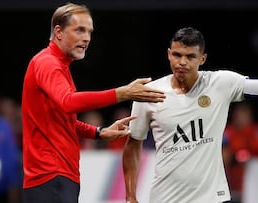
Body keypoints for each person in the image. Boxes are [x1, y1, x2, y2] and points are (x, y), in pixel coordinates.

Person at [122, 27, 258, 203]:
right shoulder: (147, 94)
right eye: (177, 55)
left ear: (202, 58)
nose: (182, 62)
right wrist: (130, 196)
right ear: (168, 54)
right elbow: (133, 145)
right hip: (165, 198)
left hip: (211, 198)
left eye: (190, 56)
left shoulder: (221, 83)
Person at [21, 3, 165, 203]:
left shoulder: (56, 65)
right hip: (52, 177)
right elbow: (68, 103)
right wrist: (122, 93)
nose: (87, 38)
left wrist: (98, 132)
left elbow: (62, 119)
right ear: (58, 32)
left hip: (55, 178)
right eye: (80, 30)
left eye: (89, 31)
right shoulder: (48, 63)